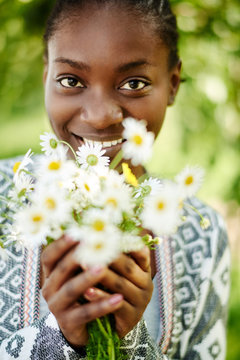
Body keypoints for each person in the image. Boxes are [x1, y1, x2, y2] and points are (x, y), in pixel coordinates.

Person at [0, 0, 230, 359]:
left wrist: (130, 340)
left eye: (134, 83)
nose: (101, 115)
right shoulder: (5, 198)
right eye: (71, 80)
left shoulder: (202, 236)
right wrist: (59, 338)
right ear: (47, 77)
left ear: (172, 84)